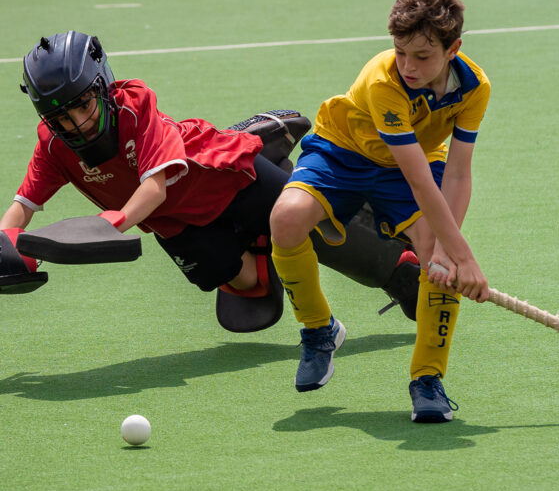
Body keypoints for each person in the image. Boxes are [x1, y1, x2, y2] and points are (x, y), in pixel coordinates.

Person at [0, 31, 419, 329]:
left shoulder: (135, 107)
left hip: (222, 176)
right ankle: (257, 232)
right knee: (250, 286)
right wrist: (5, 247)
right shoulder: (54, 147)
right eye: (60, 116)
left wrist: (112, 223)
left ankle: (398, 269)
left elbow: (154, 187)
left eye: (83, 106)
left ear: (103, 86)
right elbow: (23, 206)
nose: (77, 123)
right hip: (173, 221)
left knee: (311, 227)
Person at [269, 0, 490, 423]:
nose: (408, 66)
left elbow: (458, 173)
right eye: (400, 51)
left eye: (422, 56)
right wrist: (465, 258)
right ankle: (318, 329)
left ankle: (427, 379)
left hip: (414, 159)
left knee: (438, 255)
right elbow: (421, 183)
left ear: (453, 49)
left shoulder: (474, 88)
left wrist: (450, 254)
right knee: (286, 219)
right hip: (343, 150)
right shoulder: (384, 81)